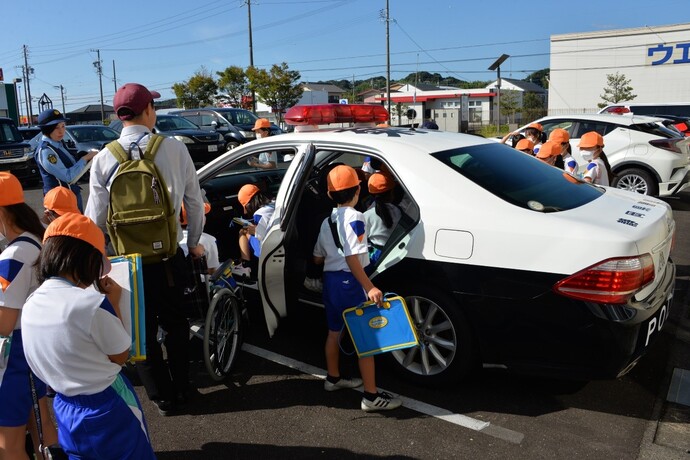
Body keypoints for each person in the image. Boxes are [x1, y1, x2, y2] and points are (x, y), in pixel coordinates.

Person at [85, 82, 206, 416]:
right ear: (148, 110)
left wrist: (104, 259)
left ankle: (160, 396)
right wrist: (193, 243)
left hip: (127, 263)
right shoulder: (174, 148)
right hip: (168, 257)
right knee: (177, 325)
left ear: (118, 116)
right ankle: (183, 387)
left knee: (141, 331)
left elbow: (93, 219)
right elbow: (195, 203)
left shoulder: (104, 157)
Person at [21, 213, 156, 459]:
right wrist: (113, 302)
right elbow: (121, 354)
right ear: (86, 258)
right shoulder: (91, 303)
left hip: (65, 407)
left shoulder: (30, 304)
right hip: (108, 402)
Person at [313, 165, 402, 412]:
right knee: (366, 339)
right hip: (351, 283)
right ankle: (371, 397)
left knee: (333, 332)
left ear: (330, 195)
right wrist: (370, 286)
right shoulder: (356, 218)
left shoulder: (326, 221)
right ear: (358, 190)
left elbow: (317, 258)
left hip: (331, 282)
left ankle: (333, 378)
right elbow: (353, 258)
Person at [0, 172, 58, 459]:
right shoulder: (35, 239)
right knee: (40, 425)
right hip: (32, 349)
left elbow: (3, 323)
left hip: (12, 358)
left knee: (7, 446)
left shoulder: (12, 256)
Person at [34, 109, 97, 213]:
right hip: (59, 202)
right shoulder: (46, 151)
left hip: (70, 196)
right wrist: (85, 158)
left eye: (63, 126)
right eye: (56, 128)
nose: (61, 131)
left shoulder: (58, 143)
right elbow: (68, 177)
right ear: (47, 129)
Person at [234, 184, 275, 277]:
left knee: (243, 231)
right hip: (281, 242)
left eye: (245, 207)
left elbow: (262, 236)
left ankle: (246, 267)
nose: (245, 212)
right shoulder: (274, 203)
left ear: (249, 203)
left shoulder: (259, 214)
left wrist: (255, 231)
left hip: (268, 251)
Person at [363, 172, 401, 270]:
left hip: (376, 257)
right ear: (392, 193)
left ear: (370, 194)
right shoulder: (398, 211)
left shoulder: (366, 215)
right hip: (396, 253)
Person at [179, 202, 219, 275]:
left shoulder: (171, 241)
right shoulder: (208, 240)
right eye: (203, 215)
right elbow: (212, 271)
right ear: (196, 220)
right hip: (205, 283)